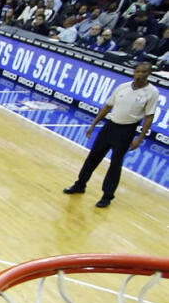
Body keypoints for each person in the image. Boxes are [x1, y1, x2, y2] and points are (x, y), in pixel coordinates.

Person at [62, 61, 158, 208]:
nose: (139, 75)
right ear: (134, 72)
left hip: (127, 130)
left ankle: (107, 196)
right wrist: (93, 125)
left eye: (143, 72)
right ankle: (80, 185)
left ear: (148, 74)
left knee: (115, 163)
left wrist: (139, 138)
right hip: (110, 126)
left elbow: (149, 117)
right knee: (92, 157)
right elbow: (107, 106)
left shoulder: (152, 92)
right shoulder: (123, 87)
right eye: (137, 71)